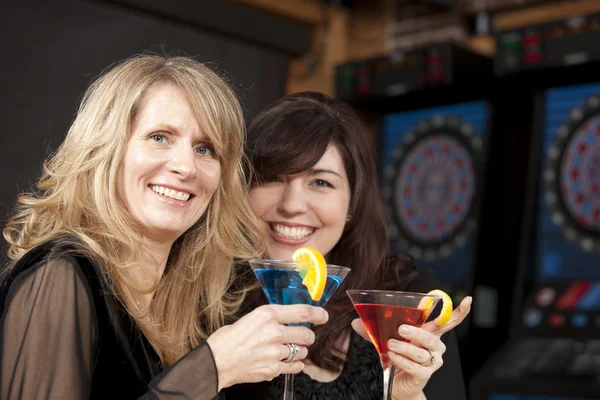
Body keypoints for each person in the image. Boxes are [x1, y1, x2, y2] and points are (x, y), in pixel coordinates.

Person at [0, 56, 329, 399]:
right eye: (159, 137)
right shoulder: (59, 275)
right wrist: (213, 368)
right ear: (106, 149)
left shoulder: (194, 302)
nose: (186, 167)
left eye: (205, 149)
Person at [224, 91, 472, 400]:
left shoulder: (406, 300)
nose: (292, 205)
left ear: (352, 201)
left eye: (321, 182)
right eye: (273, 177)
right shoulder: (212, 299)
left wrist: (407, 396)